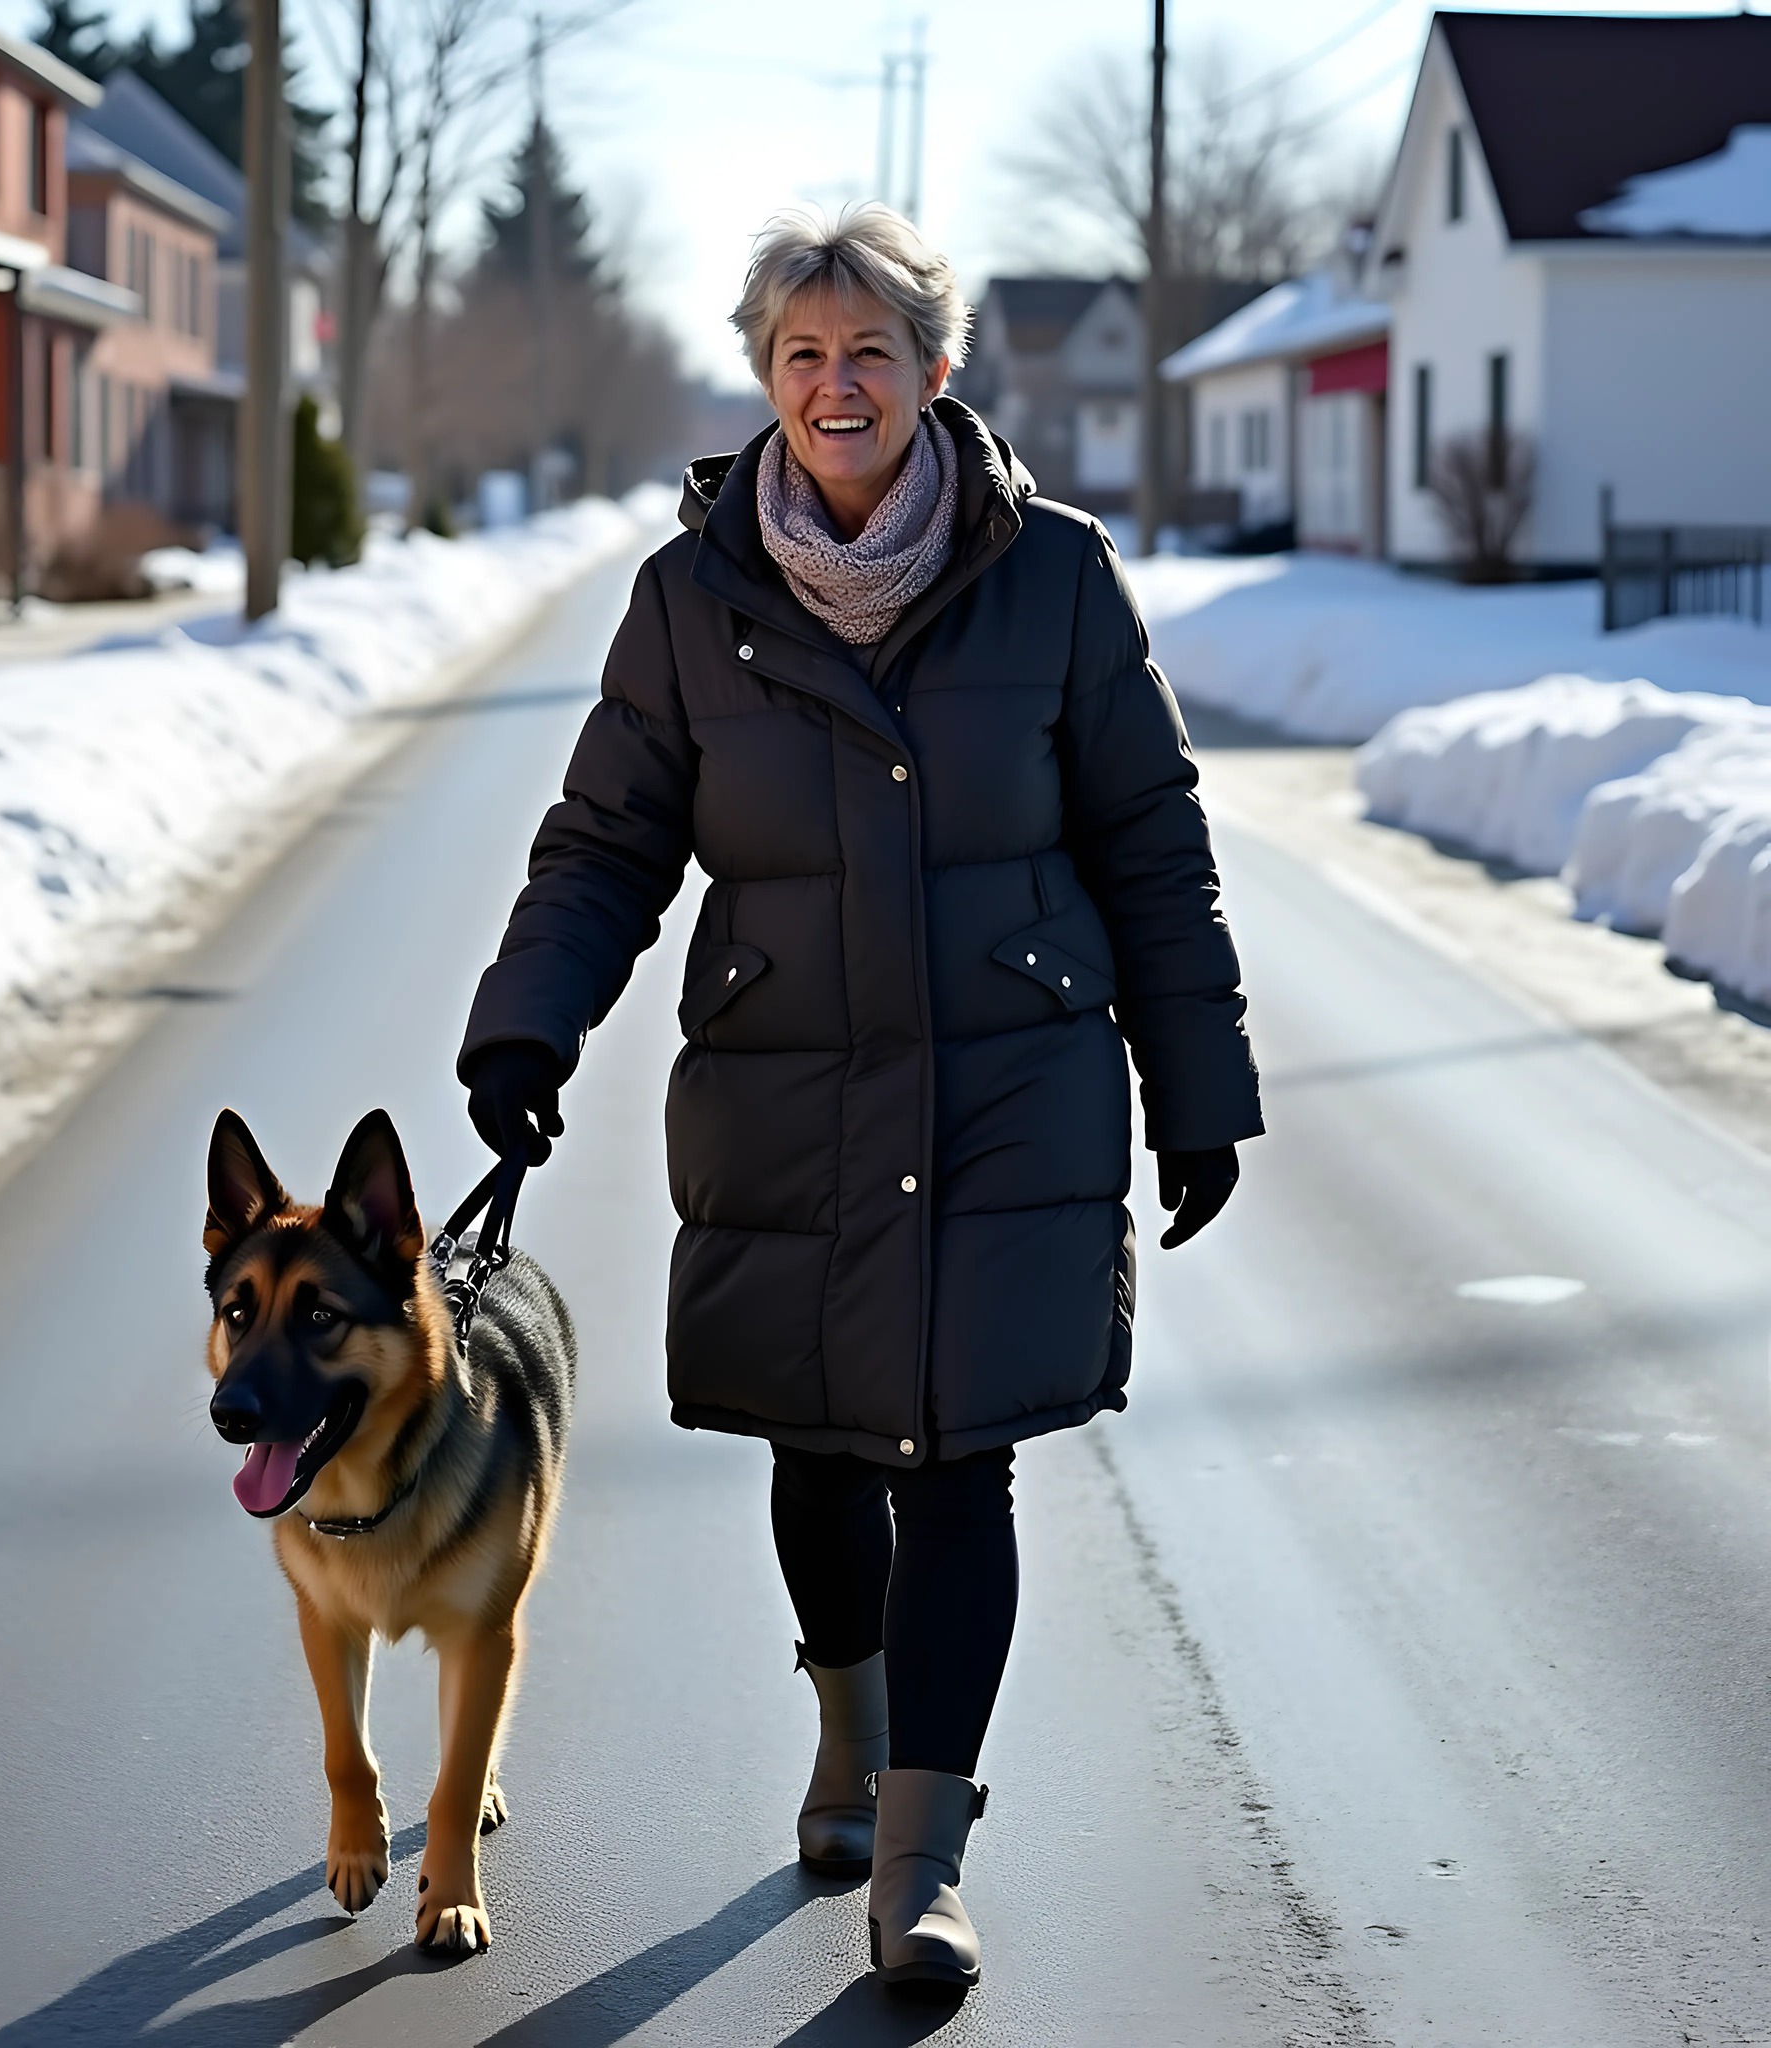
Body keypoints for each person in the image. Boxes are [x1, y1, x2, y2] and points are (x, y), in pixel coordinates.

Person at [458, 203, 1262, 1994]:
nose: (838, 386)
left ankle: (923, 1859)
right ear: (764, 377)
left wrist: (1194, 1084)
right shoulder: (692, 602)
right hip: (787, 1089)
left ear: (935, 375)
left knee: (958, 1459)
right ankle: (852, 1719)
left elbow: (1152, 841)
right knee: (820, 1452)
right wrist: (528, 1030)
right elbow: (605, 844)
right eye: (804, 355)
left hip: (1012, 1084)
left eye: (871, 353)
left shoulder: (1053, 576)